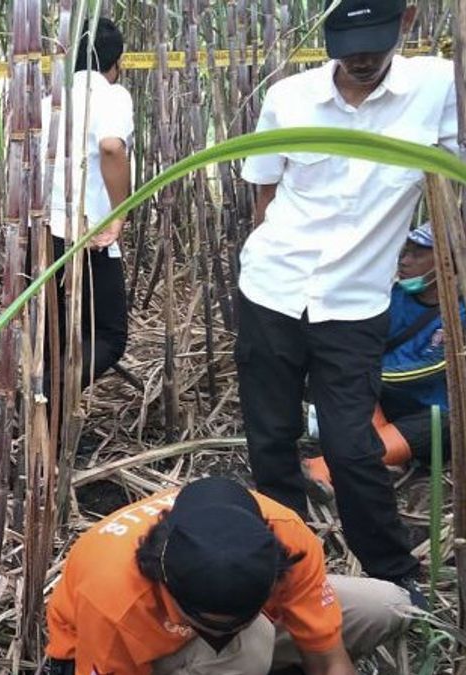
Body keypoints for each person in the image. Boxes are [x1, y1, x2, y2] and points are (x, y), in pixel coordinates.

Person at [236, 0, 466, 605]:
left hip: (354, 303)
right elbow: (265, 196)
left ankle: (393, 576)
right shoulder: (290, 98)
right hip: (272, 289)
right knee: (272, 437)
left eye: (375, 40)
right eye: (347, 44)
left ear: (407, 21)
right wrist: (255, 262)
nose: (362, 57)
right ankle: (286, 564)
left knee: (352, 446)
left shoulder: (439, 89)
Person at [44, 477, 411, 675]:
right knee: (249, 647)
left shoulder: (286, 534)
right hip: (115, 653)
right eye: (209, 627)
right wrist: (240, 631)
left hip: (250, 615)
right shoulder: (113, 596)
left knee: (387, 606)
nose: (220, 635)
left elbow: (329, 660)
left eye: (233, 624)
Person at [304, 223, 464, 491]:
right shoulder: (391, 296)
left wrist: (365, 373)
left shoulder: (462, 313)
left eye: (417, 254)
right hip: (376, 400)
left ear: (447, 262)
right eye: (405, 251)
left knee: (442, 425)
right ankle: (382, 461)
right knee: (349, 384)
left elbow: (435, 366)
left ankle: (322, 468)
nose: (404, 260)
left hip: (422, 408)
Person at [41, 17, 132, 411]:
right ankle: (48, 394)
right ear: (116, 63)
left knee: (57, 334)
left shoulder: (49, 98)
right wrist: (119, 213)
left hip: (45, 232)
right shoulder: (111, 95)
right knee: (109, 336)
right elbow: (112, 147)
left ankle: (49, 430)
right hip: (88, 236)